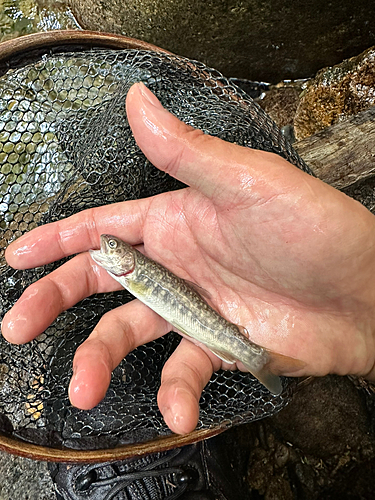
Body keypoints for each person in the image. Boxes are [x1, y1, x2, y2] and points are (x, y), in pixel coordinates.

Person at [2, 82, 375, 435]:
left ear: (127, 258)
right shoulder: (132, 271)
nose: (106, 249)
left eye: (113, 248)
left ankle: (258, 358)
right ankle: (258, 357)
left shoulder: (132, 272)